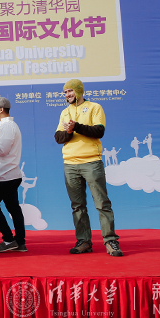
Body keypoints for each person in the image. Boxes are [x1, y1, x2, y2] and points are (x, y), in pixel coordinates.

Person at [55, 79, 122, 257]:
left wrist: (76, 126)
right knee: (77, 206)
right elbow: (58, 138)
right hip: (70, 164)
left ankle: (110, 240)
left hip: (91, 161)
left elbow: (99, 131)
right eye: (65, 92)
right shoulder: (65, 112)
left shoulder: (94, 107)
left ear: (79, 91)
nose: (68, 95)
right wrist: (69, 131)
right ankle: (84, 241)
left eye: (70, 91)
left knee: (102, 203)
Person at [0, 97, 27, 253]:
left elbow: (1, 150)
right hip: (9, 175)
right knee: (13, 208)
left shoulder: (7, 126)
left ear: (1, 109)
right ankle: (20, 242)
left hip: (4, 175)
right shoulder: (7, 125)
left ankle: (9, 239)